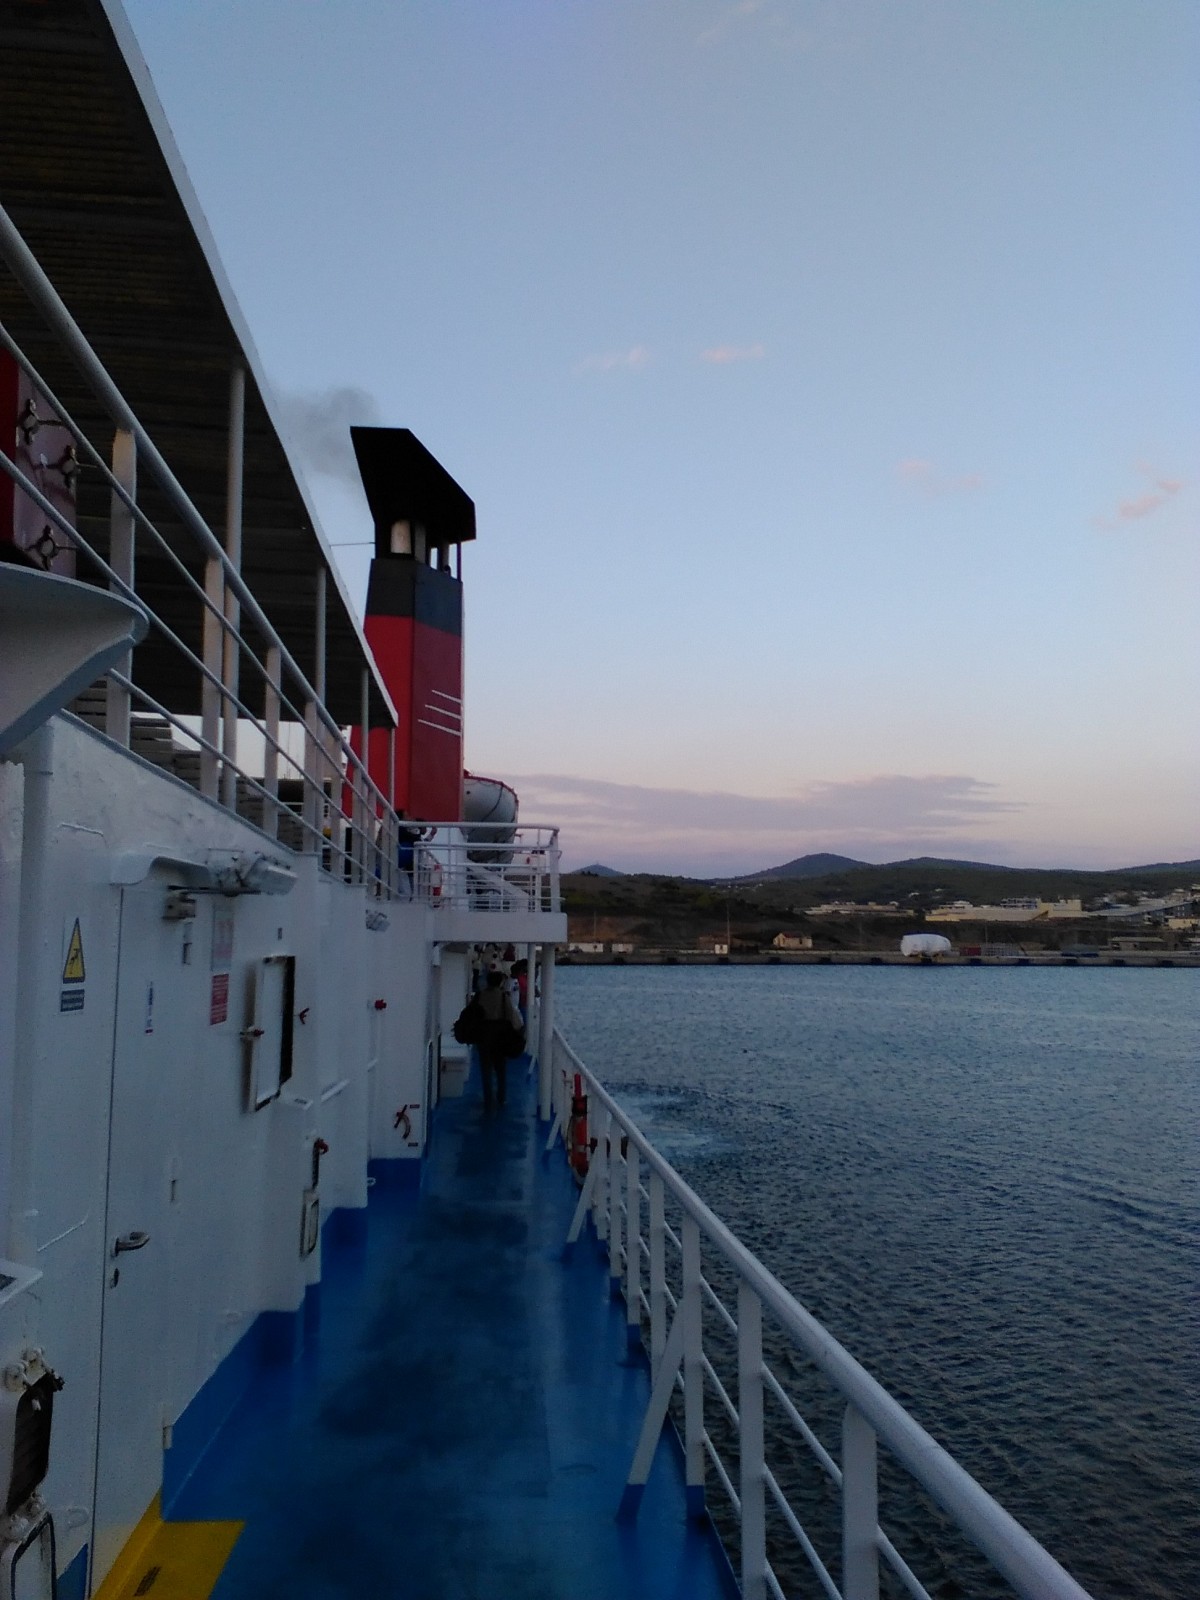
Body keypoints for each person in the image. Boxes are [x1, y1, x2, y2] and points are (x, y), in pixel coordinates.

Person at [475, 968, 523, 1112]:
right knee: (500, 1069)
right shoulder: (503, 997)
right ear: (500, 982)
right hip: (499, 1036)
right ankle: (501, 1098)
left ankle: (488, 1099)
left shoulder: (479, 996)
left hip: (483, 1035)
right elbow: (511, 1016)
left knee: (486, 1069)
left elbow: (472, 1014)